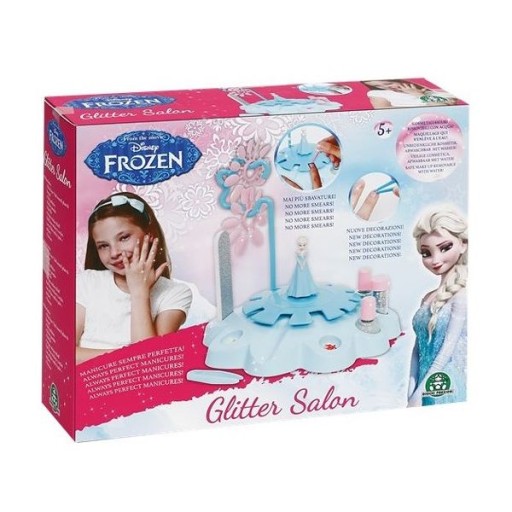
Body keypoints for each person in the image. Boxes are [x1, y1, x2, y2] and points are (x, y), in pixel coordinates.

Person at [76, 192, 192, 363]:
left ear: (149, 234)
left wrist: (139, 292)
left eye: (124, 238)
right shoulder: (87, 282)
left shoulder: (175, 293)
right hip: (87, 379)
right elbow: (67, 354)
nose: (114, 253)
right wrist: (128, 356)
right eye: (103, 246)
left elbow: (149, 363)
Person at [408, 209, 467, 406]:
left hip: (443, 385)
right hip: (422, 383)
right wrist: (411, 390)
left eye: (445, 248)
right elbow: (417, 350)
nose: (435, 260)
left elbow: (446, 351)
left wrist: (419, 393)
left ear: (463, 244)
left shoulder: (461, 296)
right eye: (426, 253)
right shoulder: (427, 298)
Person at [362, 79, 457, 108]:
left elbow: (446, 105)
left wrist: (419, 94)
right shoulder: (377, 93)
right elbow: (387, 114)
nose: (388, 87)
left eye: (388, 83)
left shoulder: (427, 88)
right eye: (378, 86)